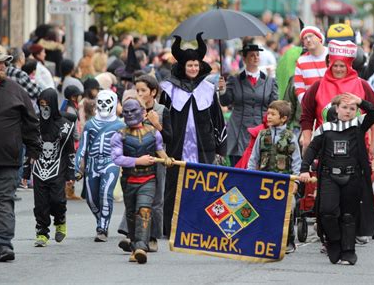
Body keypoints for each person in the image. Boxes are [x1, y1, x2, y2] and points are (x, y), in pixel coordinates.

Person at [299, 92, 374, 265]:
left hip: (352, 176)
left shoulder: (358, 124)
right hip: (329, 176)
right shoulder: (325, 128)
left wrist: (360, 100)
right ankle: (333, 242)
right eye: (344, 107)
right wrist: (304, 169)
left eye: (352, 108)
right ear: (336, 109)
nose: (348, 111)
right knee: (327, 211)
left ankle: (349, 251)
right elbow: (312, 149)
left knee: (348, 215)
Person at [159, 33, 227, 236]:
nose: (193, 69)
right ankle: (170, 226)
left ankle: (204, 226)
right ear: (182, 66)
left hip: (203, 147)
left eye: (196, 65)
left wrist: (220, 147)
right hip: (175, 146)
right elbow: (162, 117)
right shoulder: (168, 88)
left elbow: (217, 119)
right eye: (190, 65)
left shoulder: (207, 89)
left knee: (204, 186)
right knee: (174, 186)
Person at [0, 46, 41, 262]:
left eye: (5, 63)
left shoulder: (14, 89)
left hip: (5, 161)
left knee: (3, 203)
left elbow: (31, 121)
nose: (4, 67)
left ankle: (3, 245)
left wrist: (34, 149)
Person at [111, 98, 173, 264]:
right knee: (132, 214)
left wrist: (167, 159)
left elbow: (160, 149)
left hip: (149, 179)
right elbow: (117, 158)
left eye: (133, 111)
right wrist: (138, 161)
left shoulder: (153, 133)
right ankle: (134, 245)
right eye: (127, 112)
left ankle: (141, 247)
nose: (130, 114)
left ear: (142, 111)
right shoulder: (120, 135)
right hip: (130, 179)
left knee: (144, 210)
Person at [300, 39, 374, 159]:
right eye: (335, 65)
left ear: (349, 66)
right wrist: (307, 141)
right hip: (324, 149)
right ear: (330, 65)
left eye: (342, 66)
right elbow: (306, 116)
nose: (338, 69)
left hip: (357, 149)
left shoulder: (362, 85)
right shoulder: (318, 86)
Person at [22, 89, 75, 247]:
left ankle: (60, 220)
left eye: (47, 105)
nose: (44, 108)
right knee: (41, 204)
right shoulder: (35, 124)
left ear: (53, 105)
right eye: (41, 105)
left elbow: (70, 151)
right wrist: (26, 171)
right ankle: (42, 232)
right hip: (39, 169)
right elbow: (29, 149)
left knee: (57, 201)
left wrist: (71, 174)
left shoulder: (64, 125)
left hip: (58, 168)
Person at [247, 100, 301, 254]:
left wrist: (296, 180)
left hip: (284, 181)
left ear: (283, 118)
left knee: (287, 208)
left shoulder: (290, 137)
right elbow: (254, 157)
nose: (268, 117)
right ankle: (263, 239)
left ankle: (288, 240)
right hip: (264, 181)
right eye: (268, 113)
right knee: (262, 208)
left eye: (273, 114)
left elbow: (297, 160)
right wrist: (250, 175)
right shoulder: (262, 135)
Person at [76, 90, 125, 241]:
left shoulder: (120, 125)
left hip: (111, 162)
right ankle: (101, 221)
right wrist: (77, 167)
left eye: (107, 102)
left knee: (105, 194)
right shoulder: (90, 125)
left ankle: (102, 228)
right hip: (92, 163)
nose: (103, 106)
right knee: (91, 199)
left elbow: (127, 146)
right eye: (101, 102)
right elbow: (82, 147)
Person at [219, 44, 278, 166]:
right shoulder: (234, 80)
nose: (256, 58)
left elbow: (274, 104)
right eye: (252, 55)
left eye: (257, 55)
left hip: (261, 129)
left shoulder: (269, 81)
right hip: (238, 131)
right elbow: (225, 102)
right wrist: (223, 90)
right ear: (244, 59)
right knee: (238, 168)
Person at [293, 26, 328, 103]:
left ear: (319, 38)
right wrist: (307, 105)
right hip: (312, 106)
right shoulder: (301, 61)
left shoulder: (331, 55)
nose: (308, 40)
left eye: (310, 36)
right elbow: (299, 88)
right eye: (305, 38)